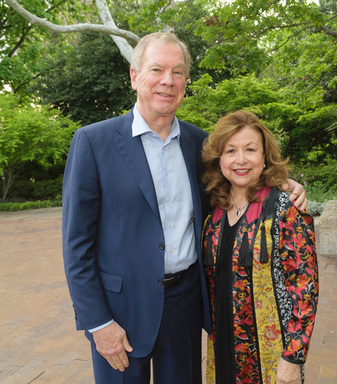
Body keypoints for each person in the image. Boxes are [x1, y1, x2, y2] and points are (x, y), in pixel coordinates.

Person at [62, 32, 307, 384]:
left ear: (186, 83)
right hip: (120, 312)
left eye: (177, 72)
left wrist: (283, 184)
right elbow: (76, 246)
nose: (167, 81)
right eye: (157, 69)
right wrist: (98, 322)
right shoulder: (93, 142)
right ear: (134, 76)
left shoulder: (199, 143)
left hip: (185, 304)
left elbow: (239, 178)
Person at [201, 110, 318, 384]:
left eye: (250, 149)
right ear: (219, 159)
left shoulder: (284, 207)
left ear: (264, 156)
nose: (240, 160)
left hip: (271, 354)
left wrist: (293, 357)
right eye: (231, 151)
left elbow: (305, 286)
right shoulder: (214, 208)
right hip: (222, 349)